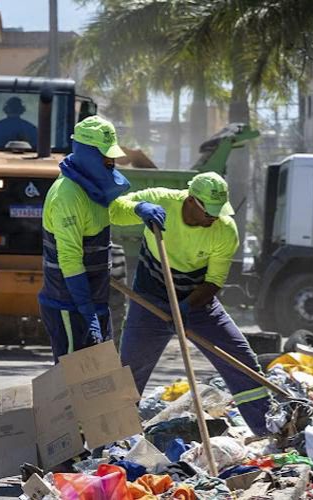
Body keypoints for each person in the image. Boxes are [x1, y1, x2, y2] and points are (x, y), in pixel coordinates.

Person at [110, 172, 273, 435]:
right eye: (208, 211)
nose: (213, 218)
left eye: (217, 212)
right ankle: (114, 438)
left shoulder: (225, 231)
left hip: (198, 303)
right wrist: (138, 209)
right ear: (190, 201)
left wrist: (185, 308)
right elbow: (113, 212)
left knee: (240, 360)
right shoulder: (160, 201)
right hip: (150, 299)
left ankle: (268, 430)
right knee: (129, 371)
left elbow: (214, 281)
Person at [38, 116, 130, 362]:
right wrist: (87, 313)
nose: (111, 162)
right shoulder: (67, 196)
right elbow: (69, 259)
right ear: (88, 154)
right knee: (74, 382)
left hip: (94, 301)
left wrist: (141, 209)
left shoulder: (94, 189)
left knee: (100, 376)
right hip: (69, 304)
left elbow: (115, 210)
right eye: (106, 156)